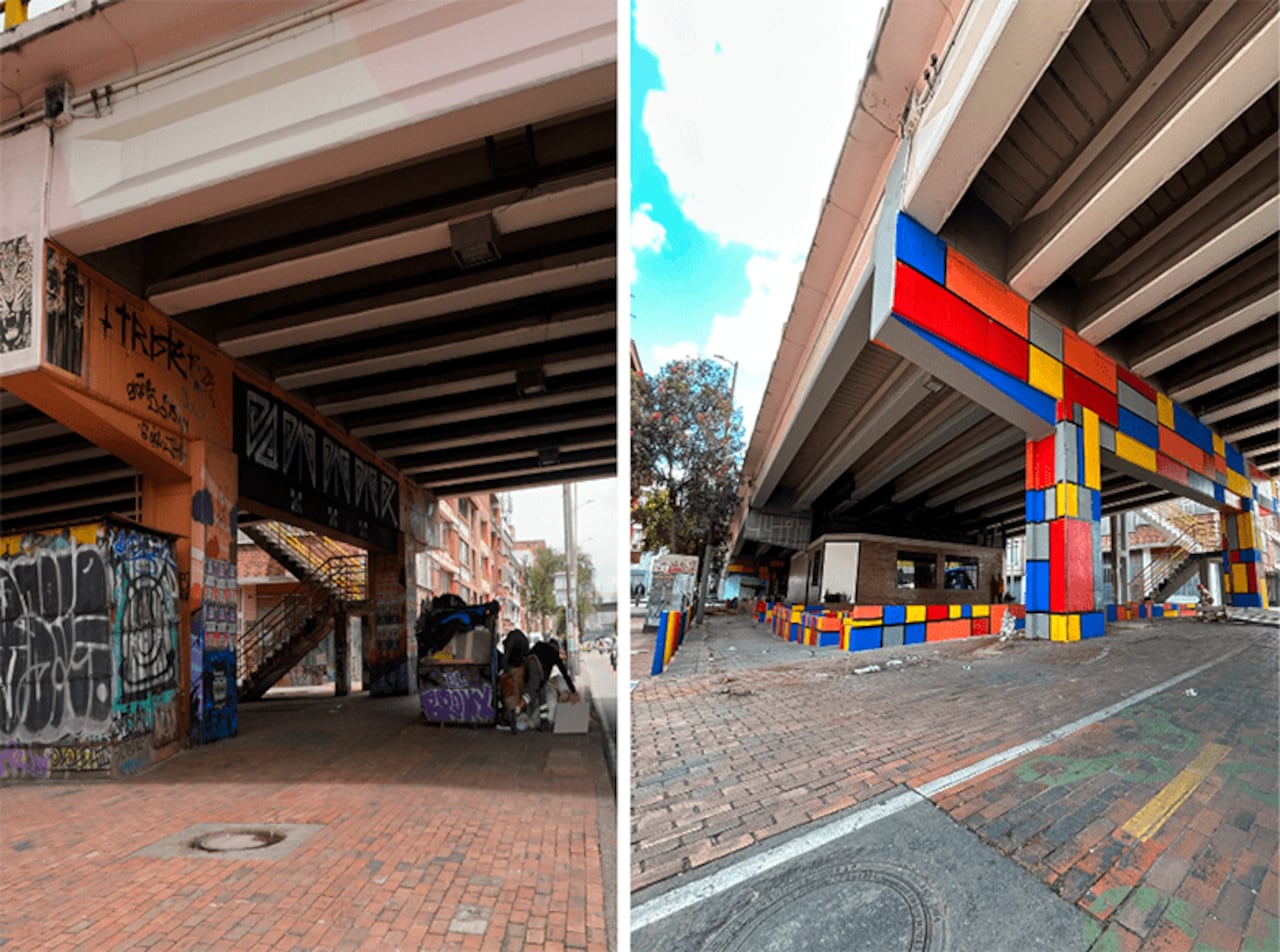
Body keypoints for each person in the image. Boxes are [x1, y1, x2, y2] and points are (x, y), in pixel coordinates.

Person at [522, 637, 577, 730]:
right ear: (556, 647)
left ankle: (542, 720)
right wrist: (573, 690)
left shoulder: (539, 645)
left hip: (530, 667)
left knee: (541, 694)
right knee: (532, 693)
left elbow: (527, 656)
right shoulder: (554, 652)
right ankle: (517, 708)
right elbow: (564, 673)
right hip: (539, 670)